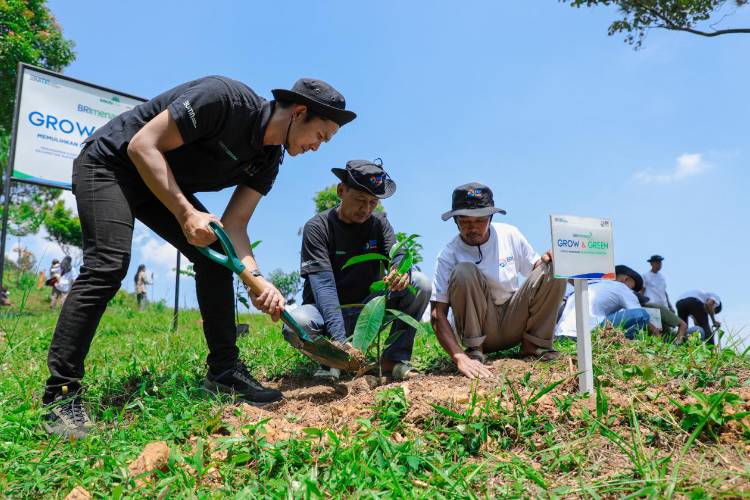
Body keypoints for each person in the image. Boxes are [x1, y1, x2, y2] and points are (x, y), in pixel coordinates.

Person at [42, 76, 356, 439]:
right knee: (108, 264)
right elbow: (142, 146)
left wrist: (258, 281)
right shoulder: (224, 100)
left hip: (156, 184)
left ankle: (224, 373)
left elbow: (235, 226)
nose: (319, 146)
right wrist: (185, 213)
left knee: (214, 256)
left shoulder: (267, 160)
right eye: (322, 135)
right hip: (111, 163)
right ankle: (60, 394)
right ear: (300, 112)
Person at [285, 160, 431, 381]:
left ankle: (393, 360)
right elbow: (323, 286)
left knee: (419, 284)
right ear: (341, 191)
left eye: (373, 202)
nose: (366, 209)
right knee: (297, 323)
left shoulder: (379, 223)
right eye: (360, 200)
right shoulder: (317, 227)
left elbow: (397, 253)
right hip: (326, 314)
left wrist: (400, 270)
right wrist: (340, 342)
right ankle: (330, 361)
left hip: (368, 311)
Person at [430, 183, 566, 379]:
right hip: (480, 328)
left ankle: (535, 346)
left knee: (554, 267)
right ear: (456, 221)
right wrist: (459, 356)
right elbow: (437, 314)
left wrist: (552, 259)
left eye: (480, 220)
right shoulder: (448, 254)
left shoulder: (509, 234)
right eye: (465, 221)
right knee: (463, 271)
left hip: (515, 320)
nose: (473, 228)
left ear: (491, 218)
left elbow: (537, 270)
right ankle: (475, 351)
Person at [556, 265, 655, 339]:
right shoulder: (621, 287)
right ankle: (622, 345)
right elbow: (638, 312)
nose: (631, 292)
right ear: (625, 279)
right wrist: (656, 332)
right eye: (632, 288)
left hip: (561, 334)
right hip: (585, 333)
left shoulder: (592, 283)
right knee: (642, 314)